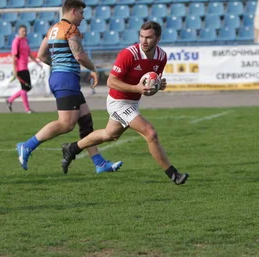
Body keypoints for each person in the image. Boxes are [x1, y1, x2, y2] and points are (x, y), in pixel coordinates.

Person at [60, 21, 189, 185]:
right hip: (118, 101)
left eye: (149, 37)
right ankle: (173, 175)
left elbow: (147, 89)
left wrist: (157, 87)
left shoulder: (161, 57)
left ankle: (72, 148)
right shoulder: (128, 54)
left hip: (133, 102)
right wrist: (136, 88)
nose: (144, 41)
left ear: (158, 38)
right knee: (151, 133)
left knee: (110, 134)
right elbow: (111, 82)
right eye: (141, 36)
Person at [16, 0, 122, 174]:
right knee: (66, 124)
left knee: (86, 122)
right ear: (72, 11)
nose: (82, 17)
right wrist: (94, 69)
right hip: (66, 80)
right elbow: (79, 55)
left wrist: (58, 66)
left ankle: (100, 163)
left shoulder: (52, 29)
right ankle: (27, 146)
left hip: (60, 77)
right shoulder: (71, 29)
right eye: (81, 13)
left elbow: (42, 55)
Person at [6, 25, 42, 114]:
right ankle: (27, 109)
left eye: (25, 31)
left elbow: (29, 53)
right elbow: (14, 56)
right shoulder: (16, 41)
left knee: (27, 87)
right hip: (20, 67)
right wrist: (14, 69)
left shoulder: (25, 41)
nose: (24, 33)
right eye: (22, 31)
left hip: (25, 66)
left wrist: (37, 62)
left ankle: (10, 100)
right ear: (19, 32)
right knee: (24, 88)